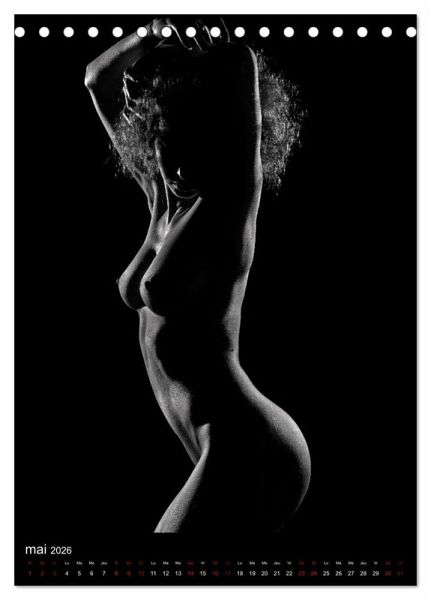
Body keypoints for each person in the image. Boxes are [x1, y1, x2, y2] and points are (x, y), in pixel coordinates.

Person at [85, 17, 311, 534]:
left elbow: (239, 63)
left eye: (197, 142)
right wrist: (152, 31)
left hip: (250, 444)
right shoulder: (159, 200)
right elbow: (97, 80)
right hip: (209, 445)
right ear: (150, 134)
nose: (179, 162)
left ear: (222, 140)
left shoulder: (230, 201)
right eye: (167, 138)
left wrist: (204, 40)